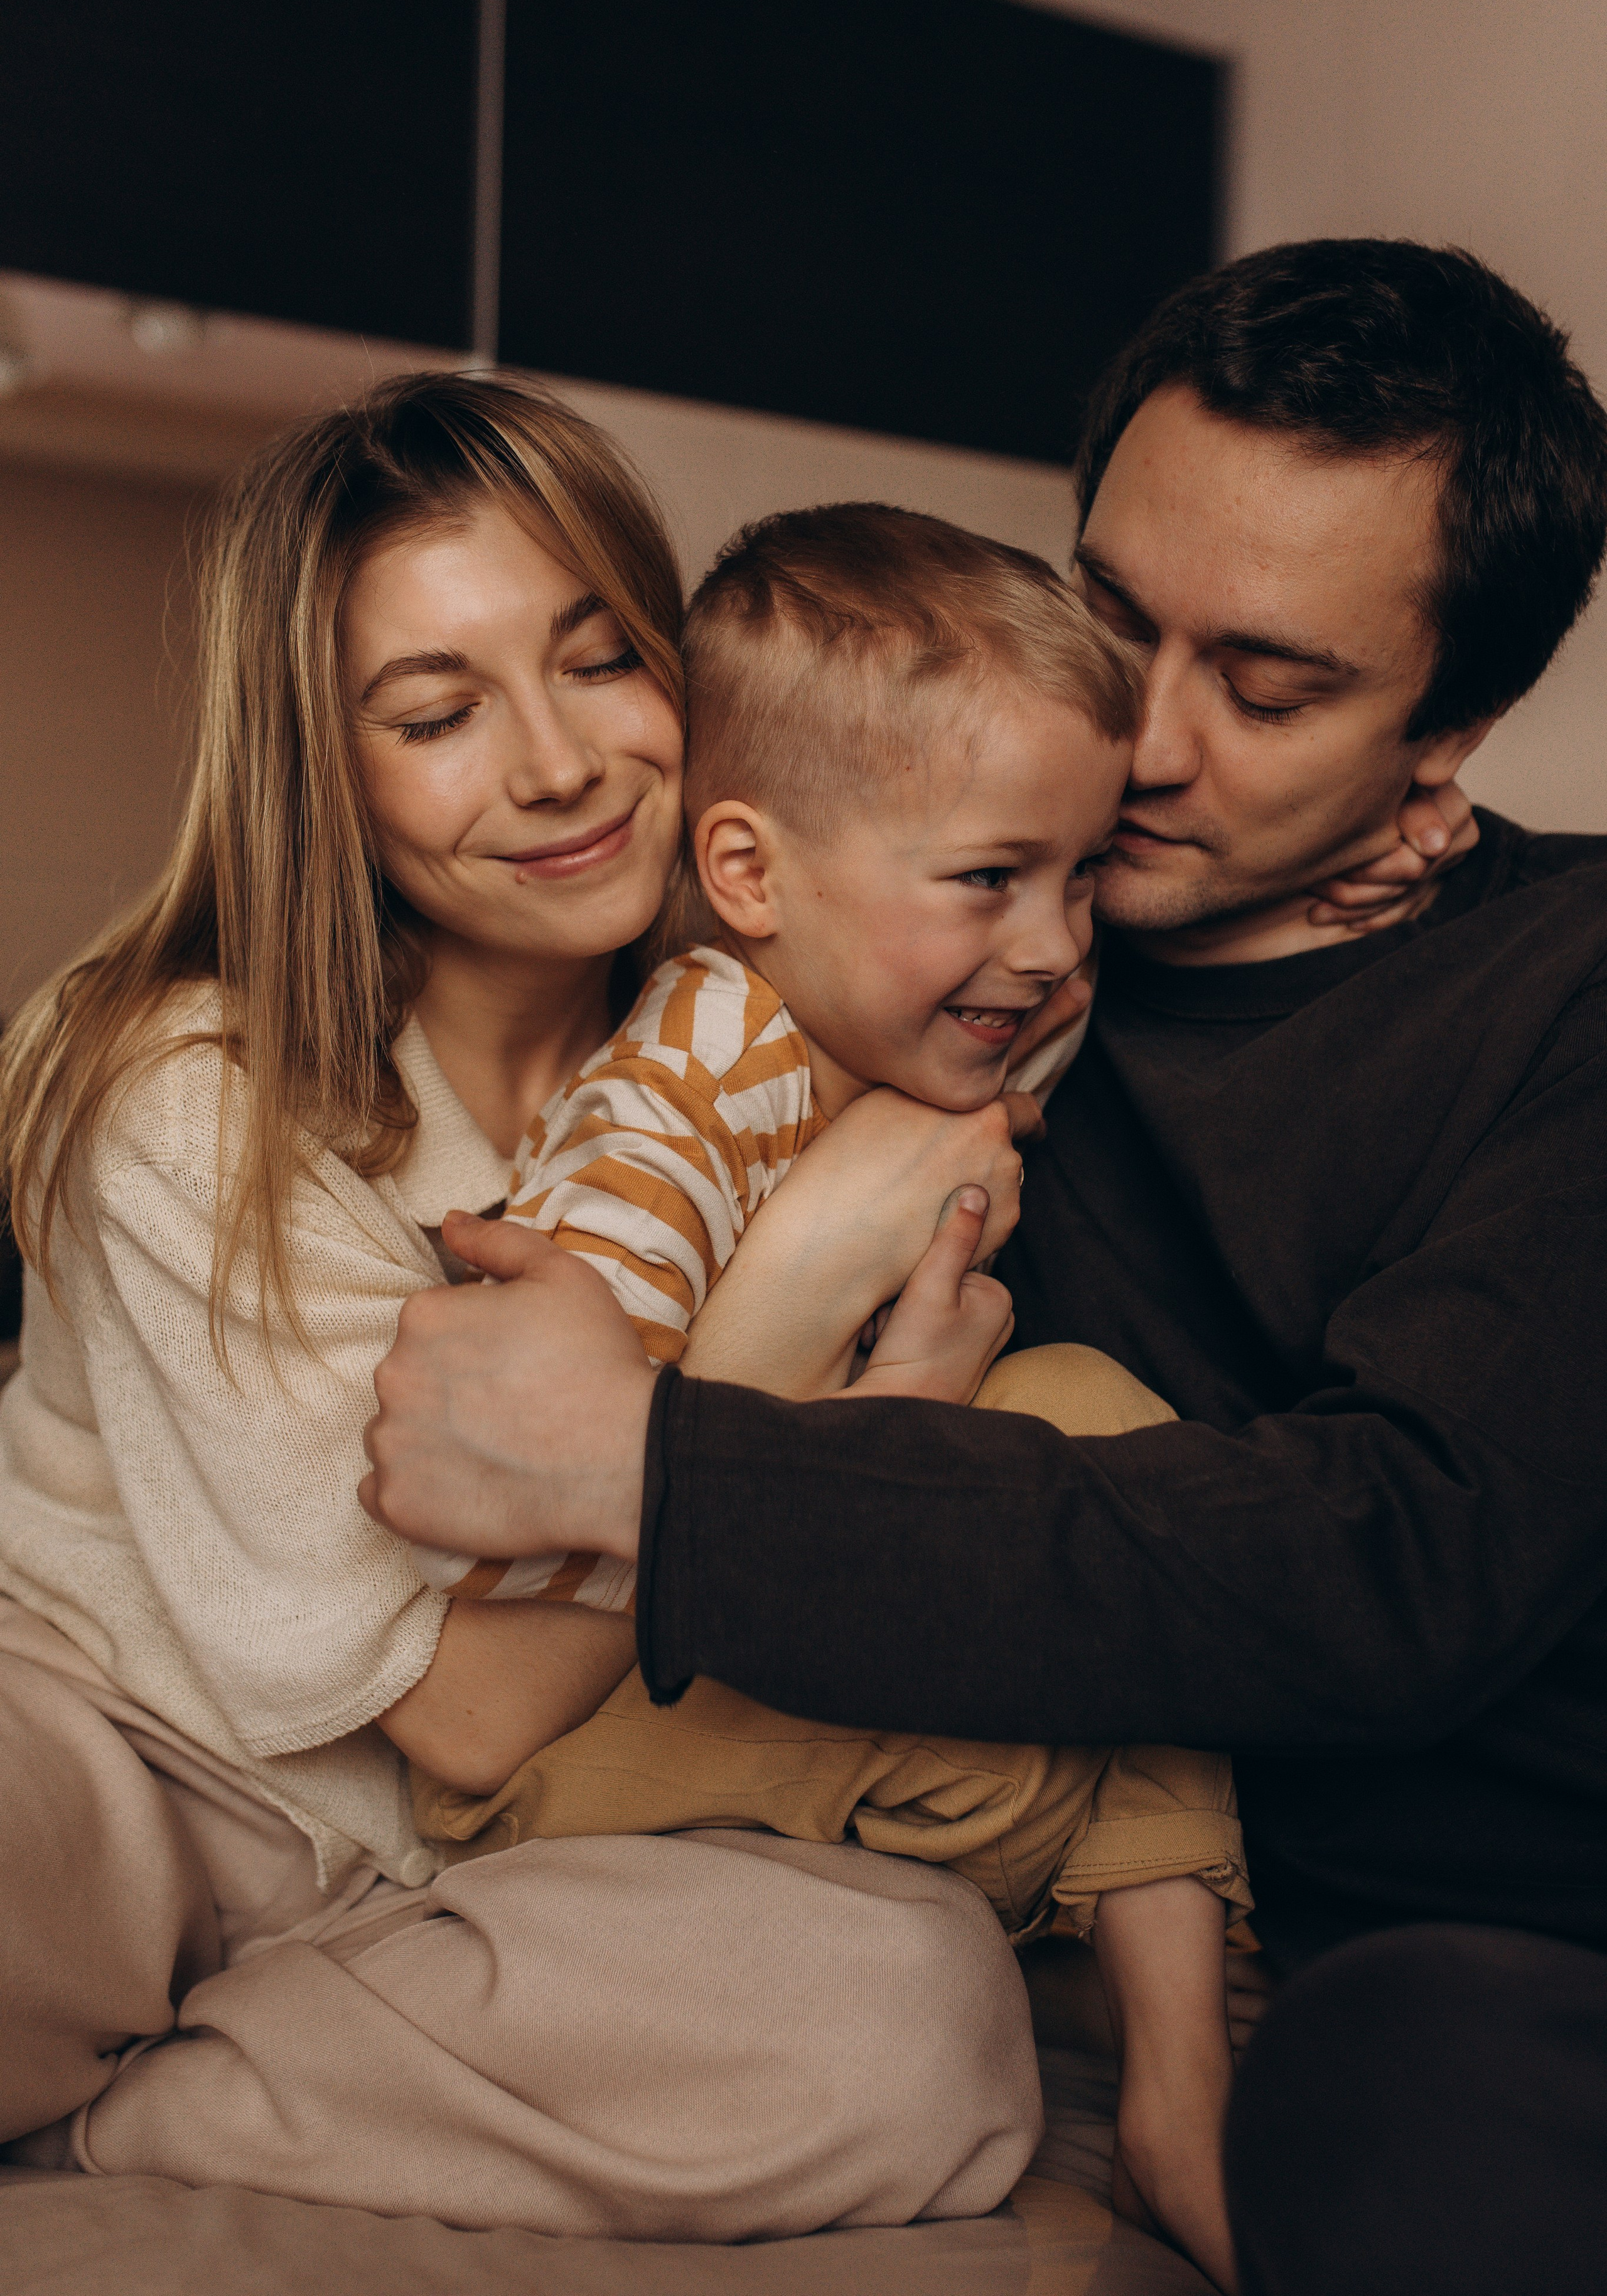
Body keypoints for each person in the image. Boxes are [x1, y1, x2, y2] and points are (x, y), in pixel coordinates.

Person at [360, 239, 1607, 2293]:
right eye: (1113, 619)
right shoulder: (944, 957)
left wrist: (647, 1465)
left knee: (1425, 2086)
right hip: (1106, 1898)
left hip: (1510, 1943)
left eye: (1269, 690)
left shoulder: (1562, 991)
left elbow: (1403, 1562)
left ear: (1452, 727)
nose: (1149, 742)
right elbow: (679, 833)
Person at [0, 370, 1047, 2236]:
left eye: (598, 660)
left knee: (920, 2023)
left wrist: (1343, 861)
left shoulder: (757, 1031)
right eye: (437, 713)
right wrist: (785, 1318)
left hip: (475, 1869)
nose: (557, 766)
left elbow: (1038, 890)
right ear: (322, 766)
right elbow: (466, 1709)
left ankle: (147, 2103)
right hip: (124, 1757)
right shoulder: (184, 1088)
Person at [407, 504, 1249, 2287]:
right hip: (567, 1757)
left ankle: (1173, 2072)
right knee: (1106, 1506)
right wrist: (884, 1426)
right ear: (751, 875)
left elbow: (1038, 1008)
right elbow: (552, 1517)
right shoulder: (678, 1106)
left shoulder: (909, 1014)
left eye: (1083, 874)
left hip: (743, 1680)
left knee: (1109, 1435)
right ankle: (1159, 2038)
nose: (1056, 945)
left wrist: (1364, 860)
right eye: (993, 878)